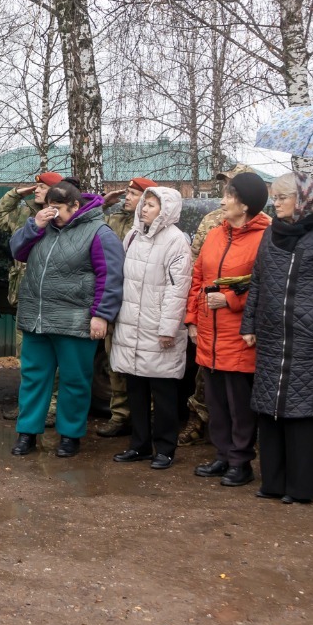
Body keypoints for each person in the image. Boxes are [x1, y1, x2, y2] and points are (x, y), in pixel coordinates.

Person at [240, 174, 313, 503]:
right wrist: (249, 324)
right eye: (275, 196)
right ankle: (272, 482)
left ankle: (301, 488)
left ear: (303, 200)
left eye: (284, 197)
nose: (277, 202)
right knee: (269, 408)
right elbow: (257, 281)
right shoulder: (272, 233)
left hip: (307, 338)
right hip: (272, 334)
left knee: (301, 411)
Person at [8, 181, 124, 457]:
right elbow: (17, 251)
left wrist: (101, 315)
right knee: (33, 378)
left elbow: (111, 276)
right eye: (48, 206)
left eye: (57, 208)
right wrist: (34, 225)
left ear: (75, 205)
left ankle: (70, 435)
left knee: (75, 381)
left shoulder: (99, 232)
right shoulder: (41, 225)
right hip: (37, 318)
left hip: (75, 320)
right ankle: (27, 433)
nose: (51, 212)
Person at [187, 171, 271, 487]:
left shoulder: (266, 238)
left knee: (239, 403)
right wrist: (192, 319)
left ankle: (241, 461)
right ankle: (222, 455)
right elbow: (198, 279)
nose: (222, 201)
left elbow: (266, 287)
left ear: (246, 204)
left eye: (229, 196)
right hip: (209, 332)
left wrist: (232, 300)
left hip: (239, 335)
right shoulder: (215, 235)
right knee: (215, 400)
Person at [110, 185, 193, 469]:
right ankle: (140, 444)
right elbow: (122, 278)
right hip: (132, 324)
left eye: (151, 205)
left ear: (166, 210)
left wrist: (168, 328)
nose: (144, 209)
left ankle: (165, 448)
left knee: (163, 391)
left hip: (159, 329)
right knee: (135, 388)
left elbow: (178, 288)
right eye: (144, 204)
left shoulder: (176, 241)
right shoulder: (132, 236)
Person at [0, 172, 65, 421]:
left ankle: (53, 405)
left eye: (42, 186)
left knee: (53, 356)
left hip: (52, 300)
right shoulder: (26, 214)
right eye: (36, 186)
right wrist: (16, 193)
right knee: (26, 356)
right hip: (25, 297)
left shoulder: (63, 219)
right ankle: (28, 404)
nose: (36, 189)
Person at [97, 177, 158, 437]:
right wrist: (102, 203)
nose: (128, 198)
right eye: (129, 193)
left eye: (134, 194)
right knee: (115, 362)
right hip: (117, 301)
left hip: (144, 306)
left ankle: (148, 417)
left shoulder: (155, 228)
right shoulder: (115, 221)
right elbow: (87, 226)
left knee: (148, 365)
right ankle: (120, 415)